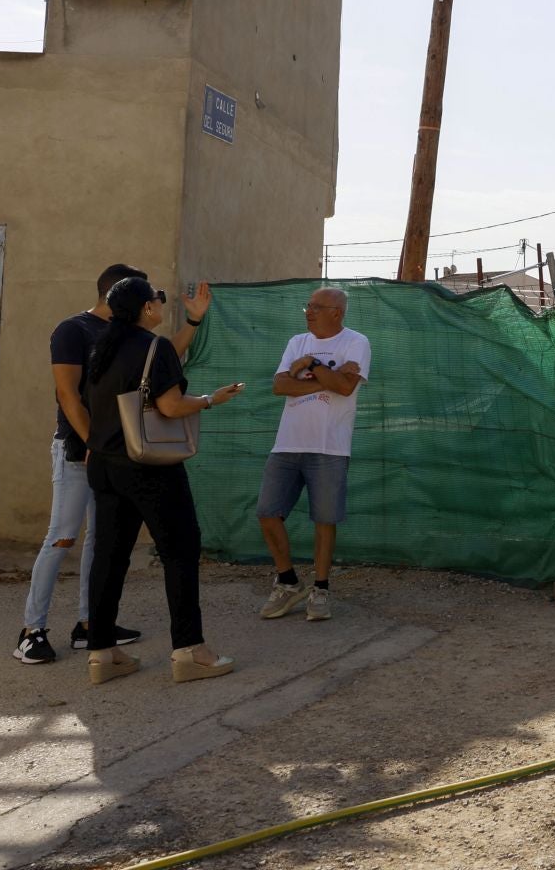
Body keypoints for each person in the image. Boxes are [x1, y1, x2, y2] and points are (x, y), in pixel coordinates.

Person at [14, 266, 210, 665]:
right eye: (150, 293)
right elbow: (68, 397)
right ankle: (32, 629)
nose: (155, 299)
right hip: (82, 450)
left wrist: (193, 320)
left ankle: (90, 627)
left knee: (100, 546)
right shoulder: (73, 330)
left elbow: (159, 361)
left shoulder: (126, 337)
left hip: (112, 456)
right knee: (63, 537)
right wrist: (93, 443)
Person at [82, 276, 245, 684]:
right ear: (147, 309)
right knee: (180, 551)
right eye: (157, 298)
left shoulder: (103, 346)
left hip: (105, 463)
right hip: (149, 465)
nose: (161, 303)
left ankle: (102, 654)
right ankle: (190, 650)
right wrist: (210, 400)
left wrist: (192, 322)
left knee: (109, 556)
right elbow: (170, 406)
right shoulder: (154, 347)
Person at [258, 287, 371, 622]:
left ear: (336, 312)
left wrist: (310, 365)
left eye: (316, 307)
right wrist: (329, 377)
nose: (308, 312)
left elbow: (347, 387)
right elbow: (280, 385)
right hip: (287, 445)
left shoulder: (356, 342)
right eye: (307, 305)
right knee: (267, 512)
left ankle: (320, 589)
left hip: (330, 446)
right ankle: (289, 582)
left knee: (325, 520)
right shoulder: (297, 342)